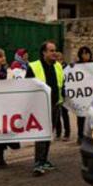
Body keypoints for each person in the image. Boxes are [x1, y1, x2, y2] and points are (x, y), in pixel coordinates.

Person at [28, 41, 64, 175]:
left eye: (55, 50)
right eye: (51, 51)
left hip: (55, 105)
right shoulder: (33, 66)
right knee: (41, 135)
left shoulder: (58, 66)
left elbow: (62, 83)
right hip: (40, 107)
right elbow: (27, 87)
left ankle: (44, 160)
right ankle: (38, 163)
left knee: (48, 134)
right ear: (44, 53)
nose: (54, 53)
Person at [74, 46, 93, 139]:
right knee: (81, 117)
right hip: (82, 95)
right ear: (80, 55)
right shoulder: (77, 65)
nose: (86, 55)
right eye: (83, 53)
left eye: (87, 53)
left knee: (92, 116)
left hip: (92, 95)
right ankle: (80, 135)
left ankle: (91, 135)